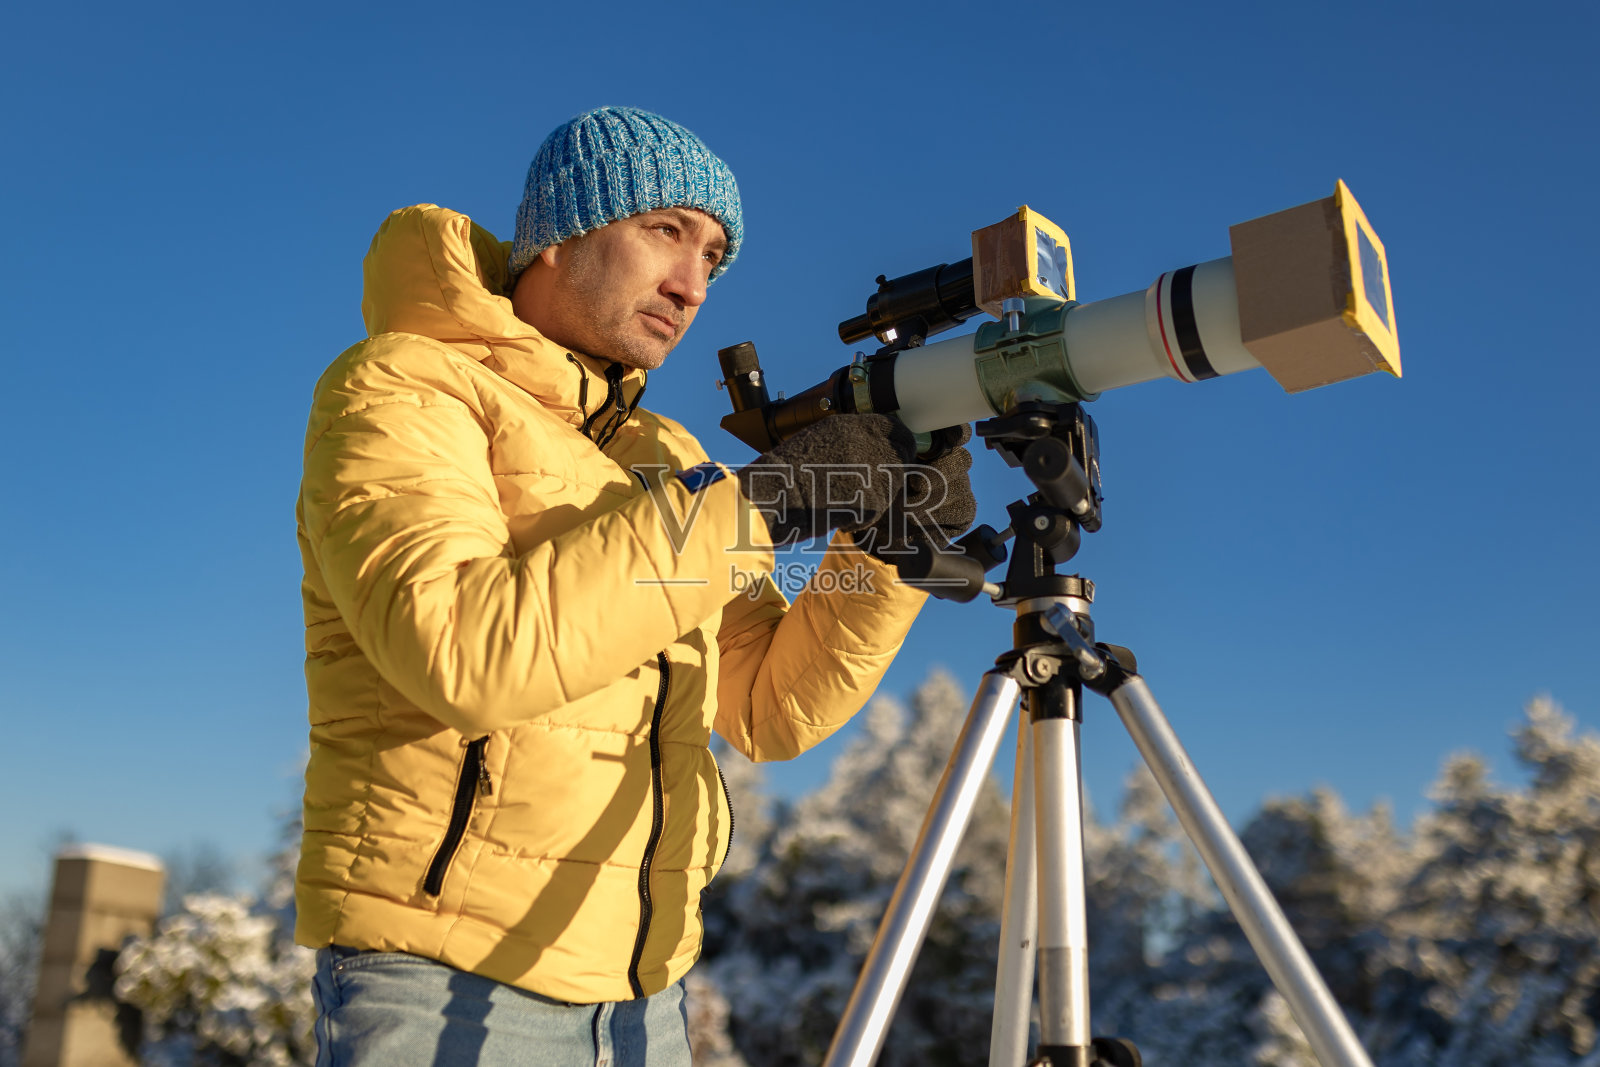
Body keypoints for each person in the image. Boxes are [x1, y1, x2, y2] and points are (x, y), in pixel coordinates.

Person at [294, 106, 974, 1065]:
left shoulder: (669, 460)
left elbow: (767, 707)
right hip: (442, 978)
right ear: (560, 234)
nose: (692, 283)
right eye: (666, 230)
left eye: (714, 255)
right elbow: (462, 651)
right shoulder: (402, 386)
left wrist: (883, 541)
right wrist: (771, 503)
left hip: (647, 999)